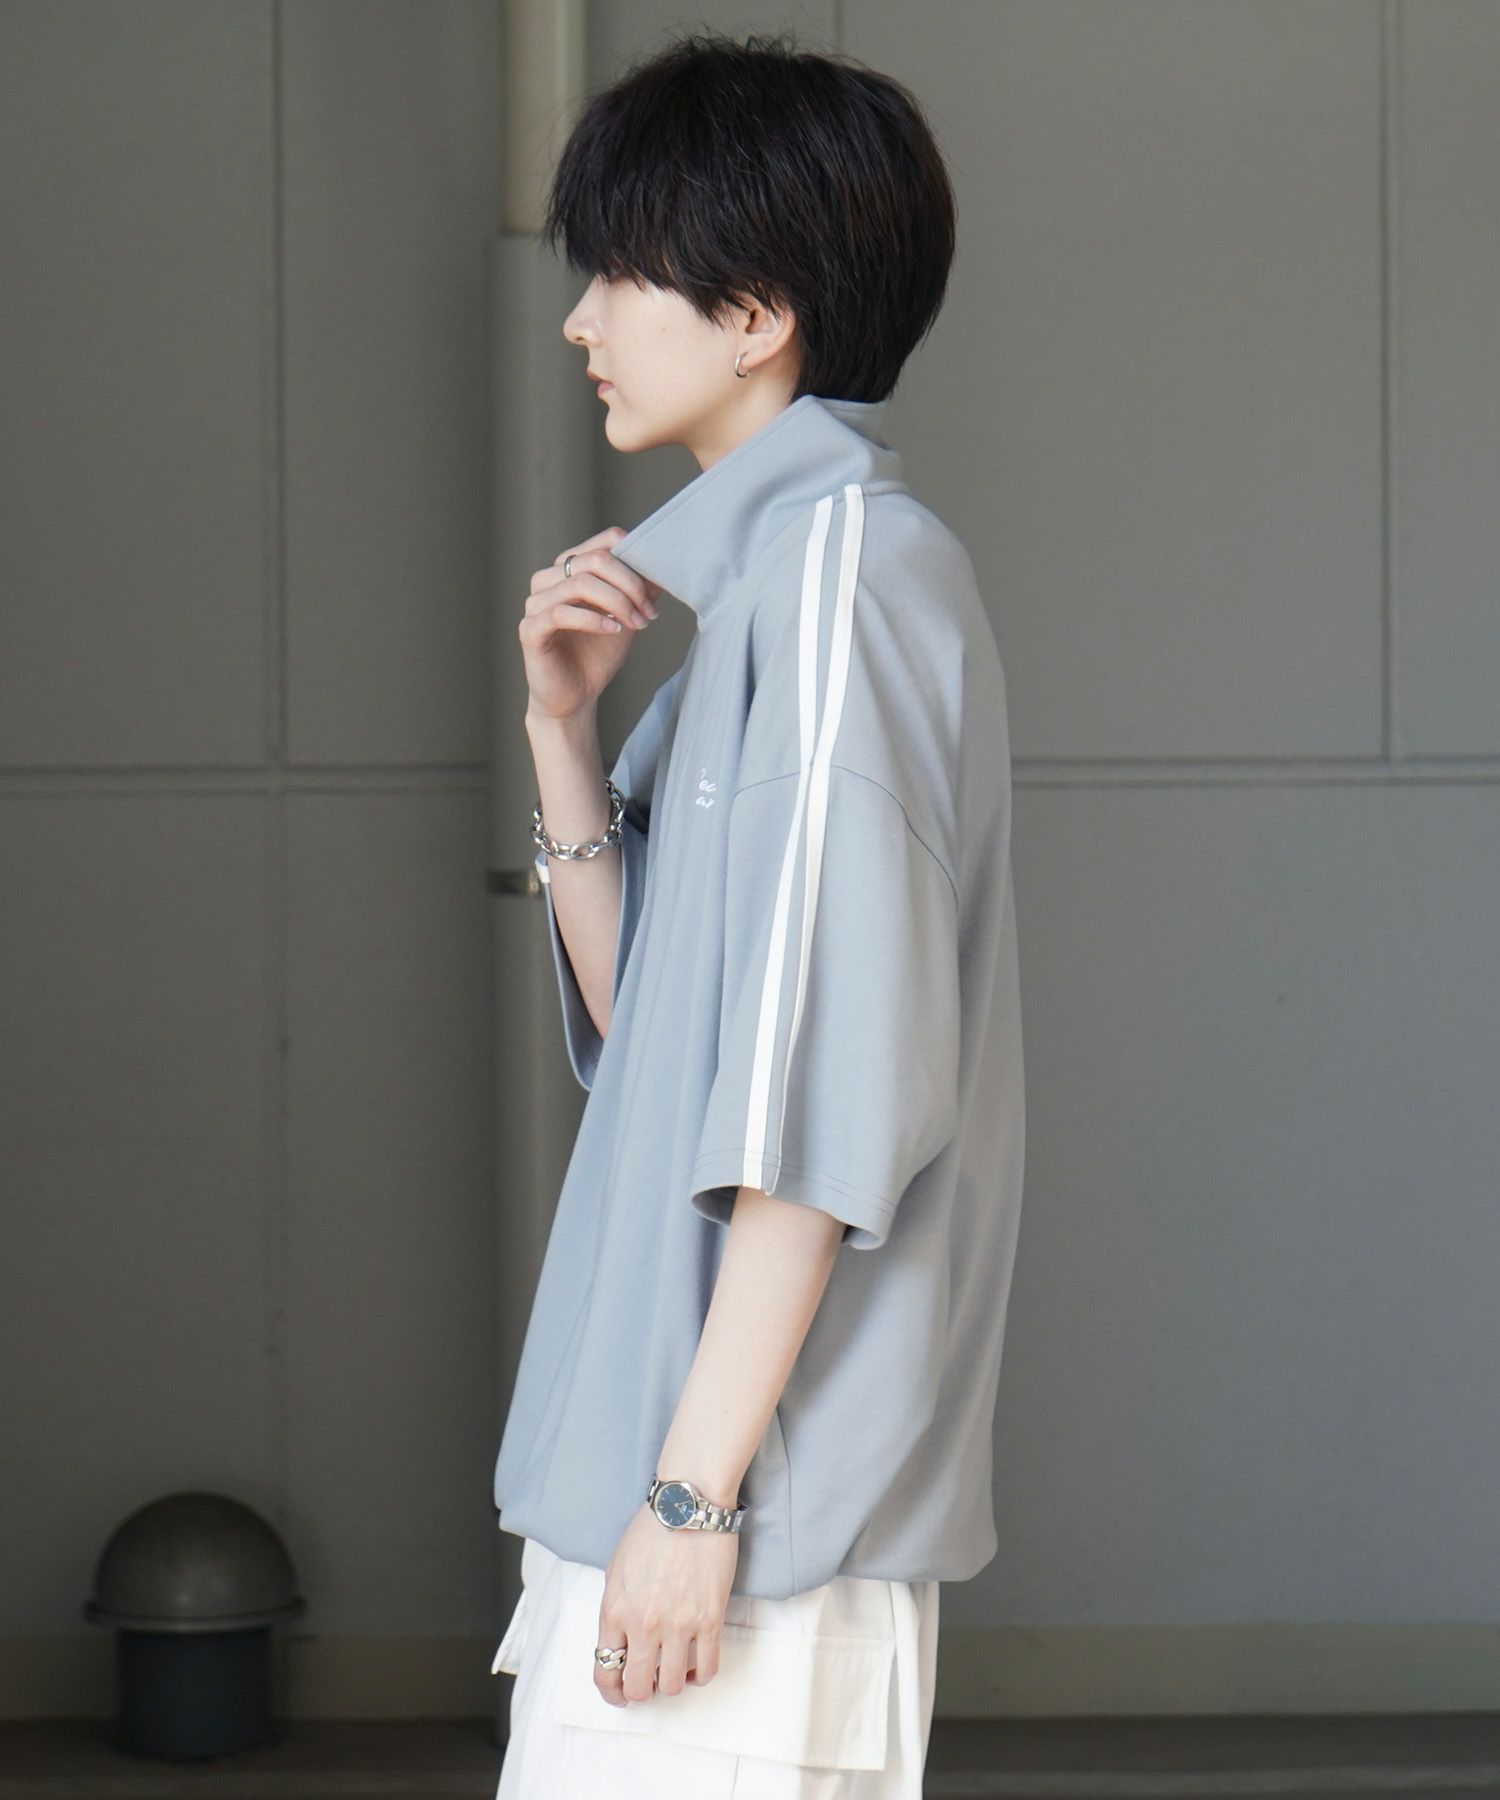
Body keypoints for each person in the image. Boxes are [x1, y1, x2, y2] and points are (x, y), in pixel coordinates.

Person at [491, 27, 1025, 1799]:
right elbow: (649, 1025)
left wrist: (691, 1499)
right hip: (672, 1507)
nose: (581, 322)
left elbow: (821, 1111)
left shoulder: (846, 586)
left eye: (620, 274)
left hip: (738, 1540)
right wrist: (563, 738)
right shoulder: (764, 601)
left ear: (757, 314)